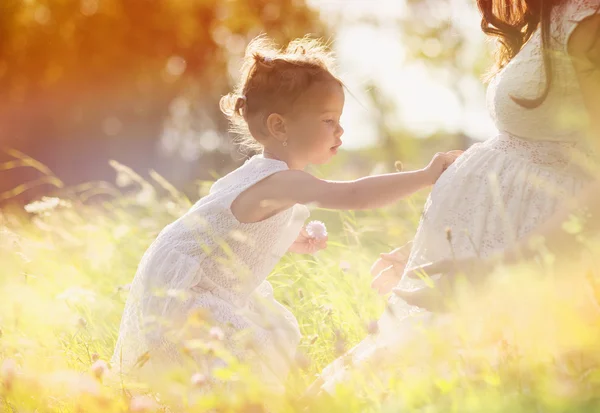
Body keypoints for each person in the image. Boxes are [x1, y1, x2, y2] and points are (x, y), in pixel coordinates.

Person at [110, 35, 461, 392]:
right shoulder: (283, 180)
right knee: (238, 363)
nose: (340, 130)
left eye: (339, 119)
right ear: (280, 127)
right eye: (328, 120)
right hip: (192, 294)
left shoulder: (259, 173)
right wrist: (425, 176)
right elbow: (353, 194)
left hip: (190, 280)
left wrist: (287, 236)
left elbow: (230, 226)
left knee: (252, 351)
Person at [317, 0, 600, 393]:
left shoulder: (587, 21)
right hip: (489, 251)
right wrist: (433, 240)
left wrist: (502, 265)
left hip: (537, 261)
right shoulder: (547, 19)